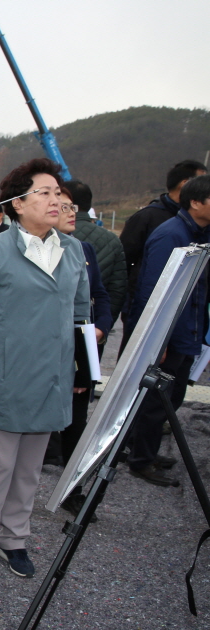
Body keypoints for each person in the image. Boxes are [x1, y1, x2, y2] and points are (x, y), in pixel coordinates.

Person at [0, 158, 89, 583]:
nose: (56, 201)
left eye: (58, 193)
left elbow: (81, 313)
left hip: (51, 378)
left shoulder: (72, 250)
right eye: (45, 193)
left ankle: (15, 537)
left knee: (31, 469)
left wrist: (82, 370)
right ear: (17, 204)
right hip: (5, 378)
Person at [123, 174, 210, 487]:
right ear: (196, 202)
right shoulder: (170, 235)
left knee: (172, 398)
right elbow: (154, 291)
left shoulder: (201, 232)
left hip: (190, 330)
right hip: (171, 334)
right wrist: (158, 338)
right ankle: (140, 459)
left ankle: (146, 450)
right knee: (155, 400)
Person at [43, 187, 112, 477]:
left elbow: (99, 295)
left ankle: (72, 483)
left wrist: (101, 327)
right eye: (65, 207)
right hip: (47, 348)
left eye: (73, 208)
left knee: (77, 415)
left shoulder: (84, 250)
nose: (72, 213)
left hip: (79, 344)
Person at [120, 160, 207, 351]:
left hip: (187, 323)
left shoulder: (200, 228)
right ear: (186, 185)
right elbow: (126, 263)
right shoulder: (156, 221)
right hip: (149, 312)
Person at [64, 179, 126, 329]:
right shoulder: (112, 239)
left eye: (71, 207)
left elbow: (101, 291)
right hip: (90, 326)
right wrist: (103, 325)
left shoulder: (84, 248)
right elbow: (118, 288)